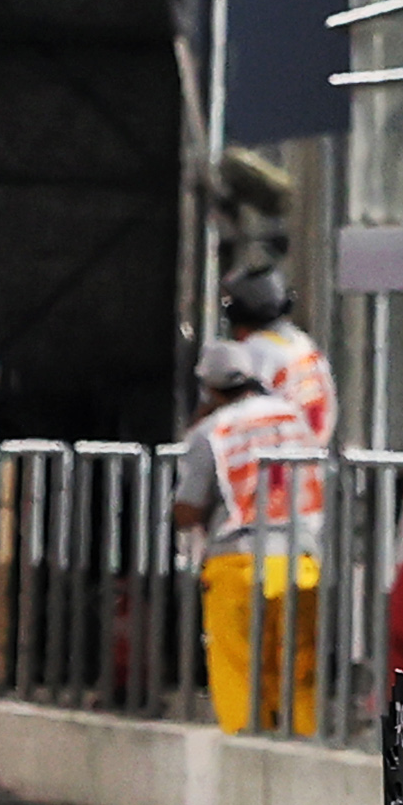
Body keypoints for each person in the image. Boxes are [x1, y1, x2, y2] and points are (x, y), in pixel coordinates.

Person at [174, 268, 337, 734]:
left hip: (243, 552)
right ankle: (306, 745)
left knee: (241, 666)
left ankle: (247, 748)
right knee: (299, 668)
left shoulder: (228, 406)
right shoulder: (305, 353)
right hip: (304, 545)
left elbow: (189, 506)